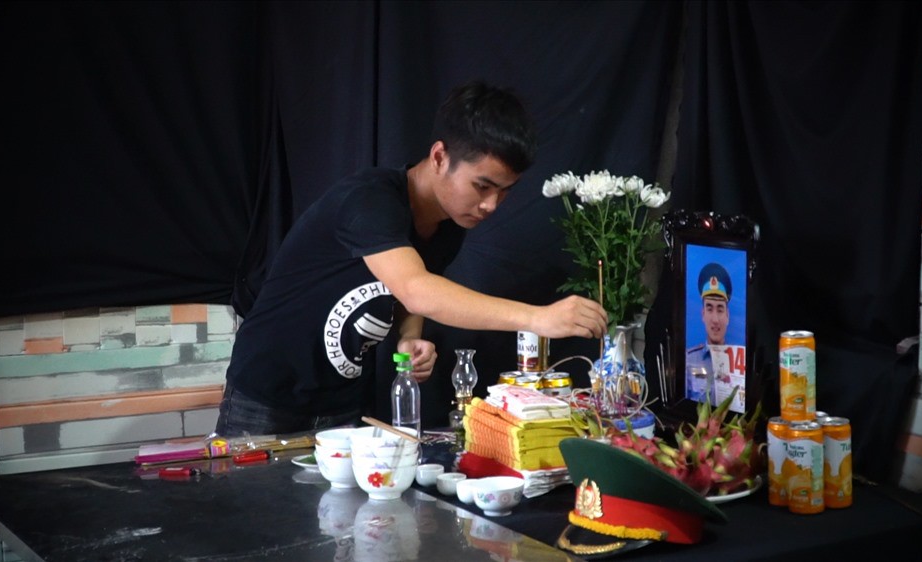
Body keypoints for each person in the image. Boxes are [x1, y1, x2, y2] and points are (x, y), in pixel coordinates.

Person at [215, 80, 608, 437]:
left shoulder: (448, 225)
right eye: (482, 186)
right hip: (266, 397)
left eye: (504, 191)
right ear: (439, 157)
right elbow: (417, 290)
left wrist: (409, 337)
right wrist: (537, 318)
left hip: (341, 401)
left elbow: (409, 293)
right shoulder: (370, 201)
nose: (491, 205)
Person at [685, 262, 731, 401]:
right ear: (703, 314)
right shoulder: (688, 360)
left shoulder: (739, 364)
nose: (715, 319)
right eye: (710, 309)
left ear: (727, 316)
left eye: (720, 310)